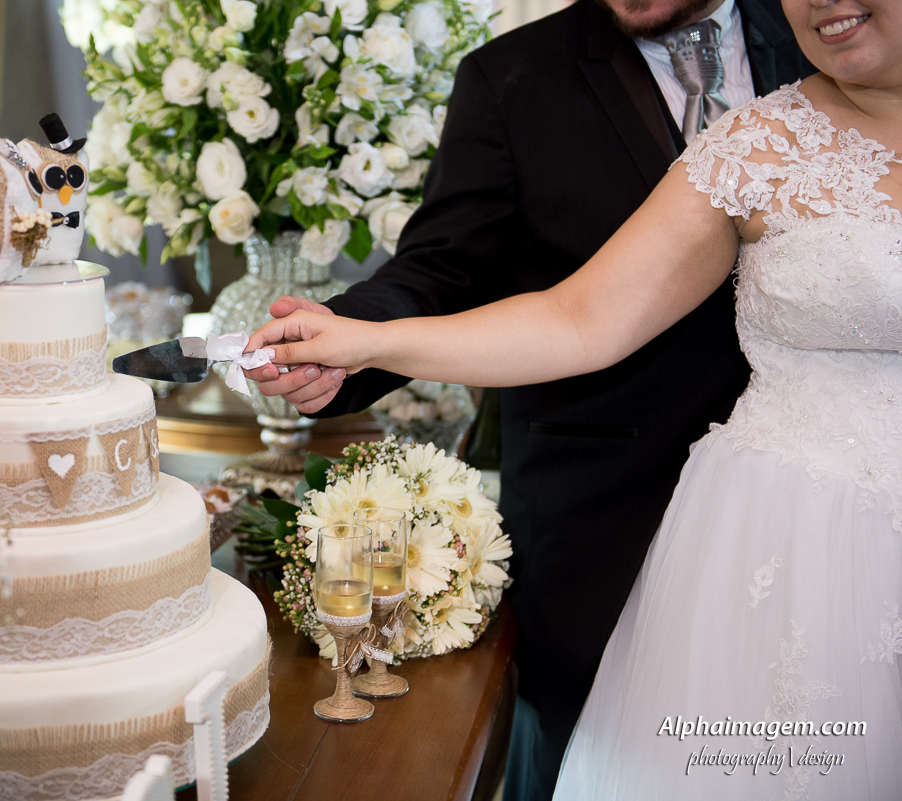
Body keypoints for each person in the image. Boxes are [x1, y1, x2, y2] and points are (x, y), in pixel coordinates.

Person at [248, 0, 902, 796]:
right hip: (745, 542)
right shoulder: (740, 140)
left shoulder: (804, 34)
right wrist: (360, 338)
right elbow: (575, 314)